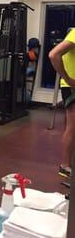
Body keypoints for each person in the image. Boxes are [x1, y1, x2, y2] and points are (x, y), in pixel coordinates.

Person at [49, 28, 75, 179]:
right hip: (72, 86)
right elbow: (53, 55)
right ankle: (65, 166)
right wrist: (68, 78)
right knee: (72, 127)